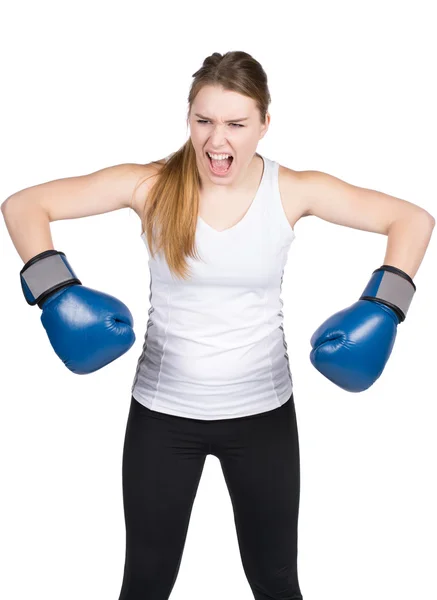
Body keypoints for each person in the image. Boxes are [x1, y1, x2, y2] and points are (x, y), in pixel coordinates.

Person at [2, 50, 434, 600]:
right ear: (189, 119)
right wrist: (55, 292)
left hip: (263, 418)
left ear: (264, 124)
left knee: (276, 581)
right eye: (204, 121)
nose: (216, 140)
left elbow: (412, 220)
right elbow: (23, 206)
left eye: (235, 123)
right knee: (146, 583)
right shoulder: (151, 185)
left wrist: (385, 306)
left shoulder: (292, 189)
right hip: (163, 419)